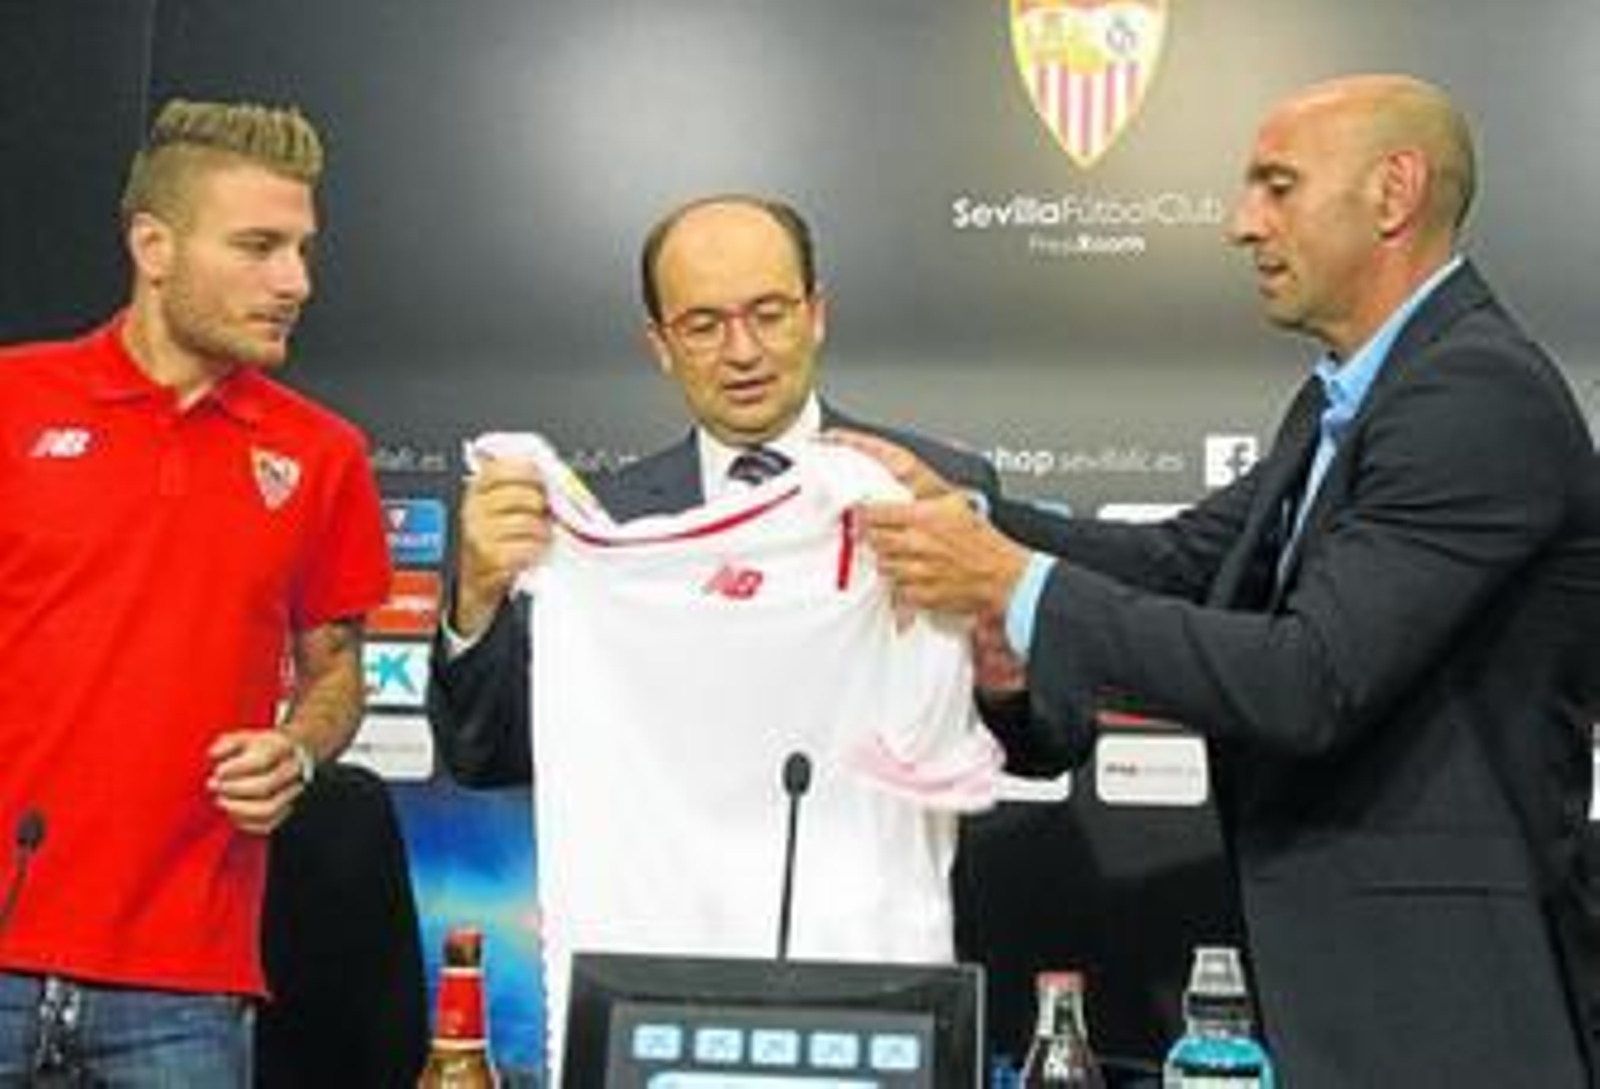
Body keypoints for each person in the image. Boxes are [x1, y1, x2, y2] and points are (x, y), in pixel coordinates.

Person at [850, 74, 1600, 1086]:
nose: (1240, 224)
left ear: (1392, 193)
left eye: (1277, 186)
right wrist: (963, 511)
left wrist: (1015, 581)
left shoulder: (1473, 395)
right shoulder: (1348, 397)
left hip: (1447, 1003)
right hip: (1352, 983)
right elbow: (1181, 561)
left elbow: (1309, 680)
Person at [426, 194, 1033, 1070]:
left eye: (769, 313)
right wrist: (478, 596)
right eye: (704, 324)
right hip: (661, 997)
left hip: (878, 989)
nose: (742, 350)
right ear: (660, 344)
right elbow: (486, 755)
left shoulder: (932, 487)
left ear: (816, 314)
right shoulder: (608, 524)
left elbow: (1045, 741)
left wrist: (999, 661)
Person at [0, 99, 391, 1082]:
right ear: (154, 247)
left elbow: (336, 674)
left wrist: (298, 750)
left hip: (187, 983)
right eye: (258, 247)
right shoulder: (12, 402)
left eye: (301, 249)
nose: (295, 281)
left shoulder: (323, 454)